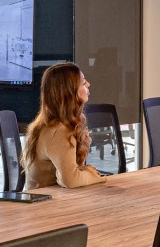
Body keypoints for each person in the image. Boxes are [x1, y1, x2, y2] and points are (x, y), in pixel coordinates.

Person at [22, 62, 107, 190]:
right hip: (48, 201)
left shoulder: (51, 124)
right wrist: (93, 175)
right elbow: (71, 180)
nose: (88, 84)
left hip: (56, 197)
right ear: (69, 91)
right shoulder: (59, 131)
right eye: (83, 82)